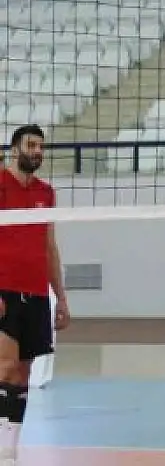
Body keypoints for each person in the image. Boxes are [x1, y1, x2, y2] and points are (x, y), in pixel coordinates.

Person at [0, 125, 70, 466]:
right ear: (15, 149)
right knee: (6, 367)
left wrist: (62, 298)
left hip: (37, 292)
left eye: (41, 146)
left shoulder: (46, 192)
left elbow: (49, 247)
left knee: (23, 375)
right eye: (31, 145)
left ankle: (10, 450)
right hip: (4, 290)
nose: (37, 151)